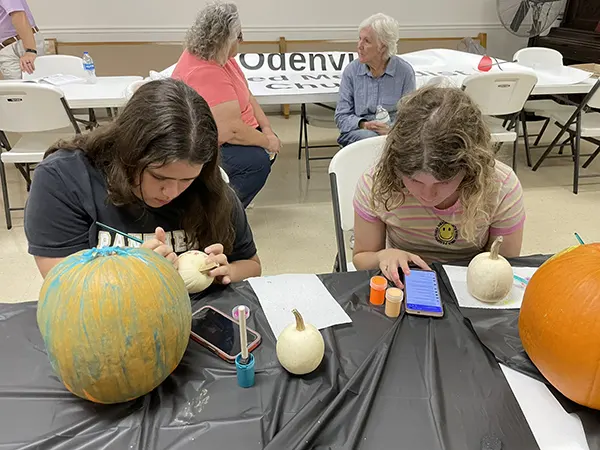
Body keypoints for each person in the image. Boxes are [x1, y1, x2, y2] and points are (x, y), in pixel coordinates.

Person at [24, 78, 262, 285]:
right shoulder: (65, 178)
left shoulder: (209, 186)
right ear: (128, 152)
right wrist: (135, 272)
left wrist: (226, 271)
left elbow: (251, 264)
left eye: (187, 180)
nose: (171, 192)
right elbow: (61, 283)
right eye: (159, 177)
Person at [352, 86, 525, 288]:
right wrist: (383, 256)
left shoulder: (501, 186)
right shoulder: (377, 182)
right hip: (404, 283)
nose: (428, 195)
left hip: (471, 285)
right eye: (414, 181)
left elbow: (504, 265)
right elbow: (362, 257)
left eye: (443, 182)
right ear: (395, 168)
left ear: (470, 169)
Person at [172, 1, 281, 208]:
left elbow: (246, 93)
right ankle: (222, 213)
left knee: (263, 152)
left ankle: (229, 202)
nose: (241, 41)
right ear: (224, 38)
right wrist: (267, 141)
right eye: (238, 36)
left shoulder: (222, 57)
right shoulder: (205, 70)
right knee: (256, 163)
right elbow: (231, 131)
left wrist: (266, 128)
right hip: (210, 143)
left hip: (236, 131)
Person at [334, 13, 415, 147]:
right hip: (359, 131)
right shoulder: (351, 71)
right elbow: (341, 117)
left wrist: (391, 130)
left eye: (366, 41)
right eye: (359, 39)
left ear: (382, 46)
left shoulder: (405, 72)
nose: (359, 46)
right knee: (371, 139)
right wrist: (364, 124)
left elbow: (410, 118)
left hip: (394, 133)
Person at [0, 0, 43, 79]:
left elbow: (18, 14)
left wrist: (30, 50)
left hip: (20, 45)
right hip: (6, 48)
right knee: (17, 89)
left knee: (28, 87)